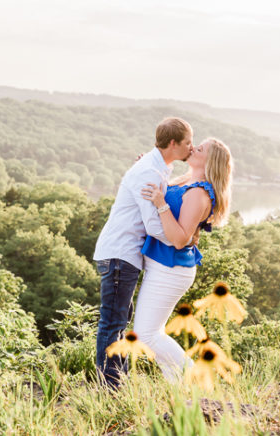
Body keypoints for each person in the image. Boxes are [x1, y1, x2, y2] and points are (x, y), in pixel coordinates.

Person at [93, 117, 193, 389]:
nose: (191, 148)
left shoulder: (156, 168)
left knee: (120, 321)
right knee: (113, 323)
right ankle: (109, 387)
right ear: (173, 143)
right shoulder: (149, 171)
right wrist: (179, 240)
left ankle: (118, 383)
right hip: (120, 253)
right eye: (187, 142)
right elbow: (152, 225)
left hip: (124, 255)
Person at [136, 137, 233, 382]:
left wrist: (160, 203)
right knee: (151, 332)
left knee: (146, 335)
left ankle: (192, 377)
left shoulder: (199, 193)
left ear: (210, 161)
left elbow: (180, 238)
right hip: (162, 265)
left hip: (171, 269)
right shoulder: (185, 182)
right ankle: (179, 388)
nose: (193, 148)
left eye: (200, 149)